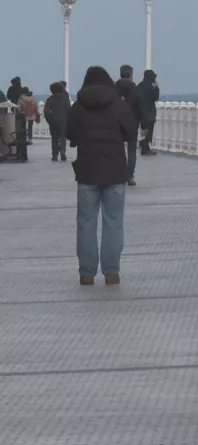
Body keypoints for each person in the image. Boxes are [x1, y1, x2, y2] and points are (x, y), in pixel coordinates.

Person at [65, 66, 138, 286]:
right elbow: (131, 131)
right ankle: (111, 272)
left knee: (86, 222)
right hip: (114, 170)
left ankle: (86, 273)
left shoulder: (78, 106)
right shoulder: (118, 104)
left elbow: (70, 133)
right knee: (113, 221)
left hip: (87, 170)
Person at [115, 65, 139, 186]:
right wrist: (144, 125)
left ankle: (118, 174)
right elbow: (140, 107)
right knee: (131, 150)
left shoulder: (113, 88)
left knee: (117, 150)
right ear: (131, 74)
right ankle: (129, 175)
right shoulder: (134, 88)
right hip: (131, 123)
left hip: (116, 123)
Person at [43, 80, 71, 161]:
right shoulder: (65, 98)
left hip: (53, 121)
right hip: (63, 120)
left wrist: (50, 120)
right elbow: (69, 109)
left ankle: (55, 154)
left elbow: (46, 112)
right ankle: (62, 151)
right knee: (63, 137)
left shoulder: (50, 99)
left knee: (54, 138)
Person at [135, 70, 160, 155]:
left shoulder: (140, 85)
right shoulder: (151, 86)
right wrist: (156, 87)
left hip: (141, 110)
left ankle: (145, 147)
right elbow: (155, 97)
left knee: (144, 128)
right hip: (150, 111)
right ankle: (145, 145)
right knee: (149, 129)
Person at [16, 87, 38, 161]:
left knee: (23, 129)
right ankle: (30, 138)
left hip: (23, 115)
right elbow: (35, 106)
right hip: (31, 114)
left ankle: (25, 137)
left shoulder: (20, 99)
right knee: (30, 127)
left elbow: (18, 109)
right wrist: (36, 114)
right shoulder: (32, 98)